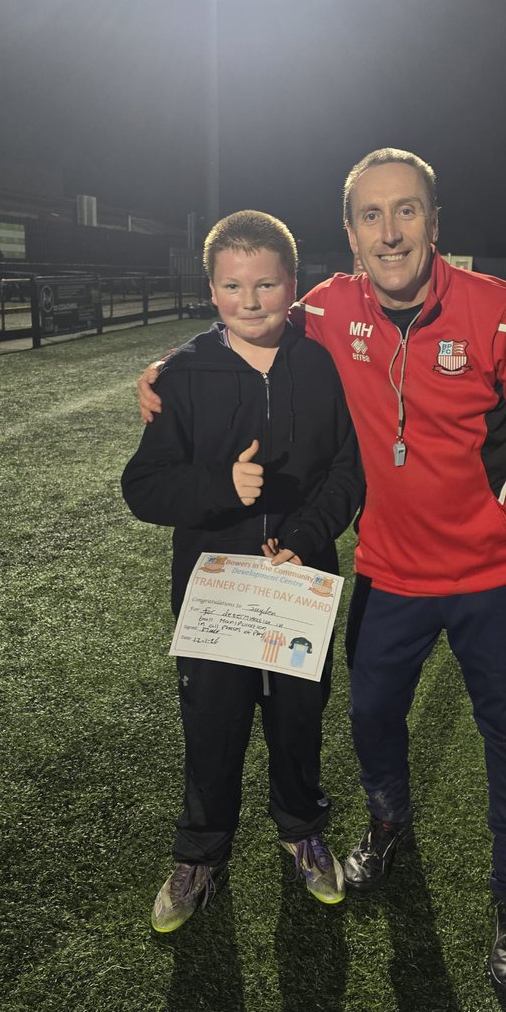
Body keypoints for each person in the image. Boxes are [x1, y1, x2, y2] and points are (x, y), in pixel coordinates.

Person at [138, 151, 506, 992]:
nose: (391, 232)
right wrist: (168, 366)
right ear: (350, 235)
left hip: (496, 578)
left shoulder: (502, 312)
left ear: (434, 221)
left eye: (406, 211)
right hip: (388, 575)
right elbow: (245, 317)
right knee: (373, 721)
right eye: (372, 216)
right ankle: (386, 826)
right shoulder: (328, 307)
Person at [122, 210, 362, 934]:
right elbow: (143, 487)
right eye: (233, 286)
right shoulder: (183, 374)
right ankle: (200, 852)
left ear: (294, 284)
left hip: (299, 579)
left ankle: (302, 830)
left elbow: (348, 469)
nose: (250, 301)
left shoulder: (322, 363)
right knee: (212, 721)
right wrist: (221, 487)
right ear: (211, 289)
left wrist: (307, 534)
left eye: (266, 284)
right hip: (215, 588)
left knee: (298, 717)